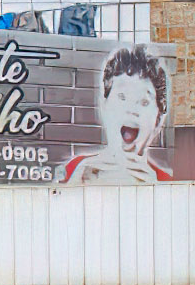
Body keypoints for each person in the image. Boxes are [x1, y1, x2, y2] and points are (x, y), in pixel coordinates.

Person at [59, 45, 173, 184]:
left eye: (144, 102)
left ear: (159, 121)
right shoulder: (77, 171)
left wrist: (156, 194)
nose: (131, 109)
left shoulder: (166, 183)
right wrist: (74, 187)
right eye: (122, 97)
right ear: (104, 106)